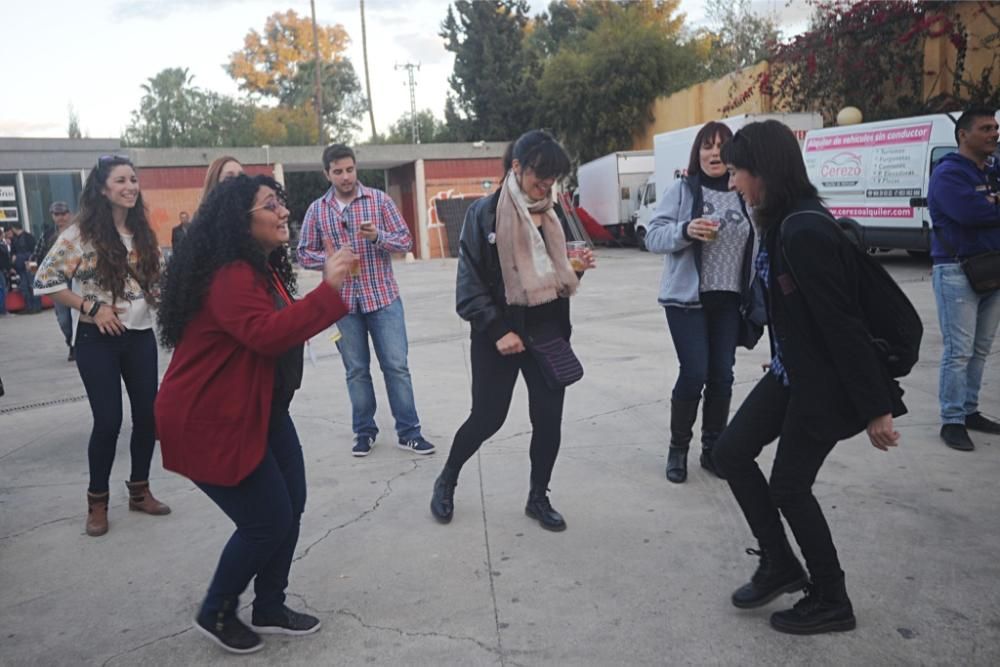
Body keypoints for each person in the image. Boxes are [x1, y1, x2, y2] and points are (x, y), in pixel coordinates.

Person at [712, 120, 905, 635]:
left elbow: (842, 326)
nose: (733, 184)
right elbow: (797, 311)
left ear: (766, 172)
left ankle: (832, 599)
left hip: (827, 383)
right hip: (794, 371)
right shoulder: (783, 222)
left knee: (789, 488)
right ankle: (778, 562)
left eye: (737, 173)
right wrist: (783, 349)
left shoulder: (804, 230)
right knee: (729, 452)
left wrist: (875, 407)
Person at [155, 175, 354, 654]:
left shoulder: (259, 268)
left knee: (293, 501)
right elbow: (267, 334)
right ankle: (216, 609)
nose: (283, 211)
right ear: (240, 221)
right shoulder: (231, 275)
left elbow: (278, 330)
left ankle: (269, 605)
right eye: (271, 205)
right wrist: (328, 290)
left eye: (281, 202)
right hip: (210, 417)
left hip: (259, 408)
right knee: (268, 518)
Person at [429, 130, 596, 531]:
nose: (547, 185)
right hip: (498, 333)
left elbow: (558, 277)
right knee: (488, 417)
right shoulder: (484, 213)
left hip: (548, 330)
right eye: (540, 175)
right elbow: (469, 285)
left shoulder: (557, 214)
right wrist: (497, 329)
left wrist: (575, 269)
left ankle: (538, 497)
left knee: (548, 420)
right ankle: (447, 477)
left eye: (553, 178)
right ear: (517, 167)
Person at [33, 155, 169, 537]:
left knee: (147, 417)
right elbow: (46, 281)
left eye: (133, 180)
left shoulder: (143, 232)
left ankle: (139, 491)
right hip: (97, 340)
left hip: (140, 335)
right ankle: (97, 501)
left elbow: (153, 279)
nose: (130, 186)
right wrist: (90, 306)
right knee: (108, 421)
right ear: (103, 188)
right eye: (121, 181)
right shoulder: (80, 235)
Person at [297, 144, 434, 457]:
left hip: (382, 297)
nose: (345, 177)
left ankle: (409, 432)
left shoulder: (379, 201)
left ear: (356, 168)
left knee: (396, 367)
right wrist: (328, 260)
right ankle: (364, 431)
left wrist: (377, 238)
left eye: (349, 169)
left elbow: (406, 241)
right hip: (342, 304)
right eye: (338, 171)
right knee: (356, 370)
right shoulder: (318, 210)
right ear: (327, 174)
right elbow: (303, 253)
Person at [645, 121, 757, 483]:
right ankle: (678, 448)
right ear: (697, 152)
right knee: (694, 373)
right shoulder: (682, 189)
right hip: (687, 301)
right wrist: (684, 230)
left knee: (722, 376)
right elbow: (653, 236)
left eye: (722, 147)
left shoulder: (743, 191)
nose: (714, 153)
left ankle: (713, 450)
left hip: (729, 300)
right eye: (707, 146)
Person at [927, 107, 1000, 451]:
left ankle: (970, 410)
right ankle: (952, 420)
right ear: (963, 135)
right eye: (985, 128)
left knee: (981, 349)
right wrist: (987, 204)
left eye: (995, 127)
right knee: (959, 351)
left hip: (992, 268)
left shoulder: (993, 171)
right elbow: (970, 214)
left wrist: (991, 200)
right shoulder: (948, 174)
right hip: (957, 271)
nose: (994, 133)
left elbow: (985, 210)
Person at [30, 201, 75, 359]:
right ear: (52, 216)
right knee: (63, 318)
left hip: (76, 278)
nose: (61, 217)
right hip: (57, 280)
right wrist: (33, 263)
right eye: (57, 214)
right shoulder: (48, 234)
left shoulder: (76, 232)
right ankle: (70, 341)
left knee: (78, 314)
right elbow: (38, 253)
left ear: (69, 214)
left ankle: (77, 345)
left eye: (63, 214)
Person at [10, 221, 40, 313]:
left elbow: (35, 251)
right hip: (21, 265)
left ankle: (36, 306)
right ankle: (29, 307)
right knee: (24, 286)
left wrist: (30, 261)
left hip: (31, 263)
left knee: (33, 285)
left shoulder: (28, 237)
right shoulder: (15, 239)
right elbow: (13, 252)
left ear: (14, 228)